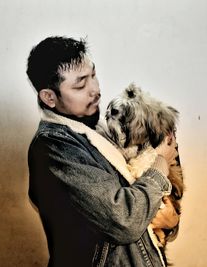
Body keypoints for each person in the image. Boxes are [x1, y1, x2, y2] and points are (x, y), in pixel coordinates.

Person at [26, 36, 179, 267]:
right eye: (80, 85)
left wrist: (171, 222)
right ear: (49, 97)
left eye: (93, 75)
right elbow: (125, 220)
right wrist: (160, 163)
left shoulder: (99, 131)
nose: (95, 90)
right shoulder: (54, 148)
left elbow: (157, 208)